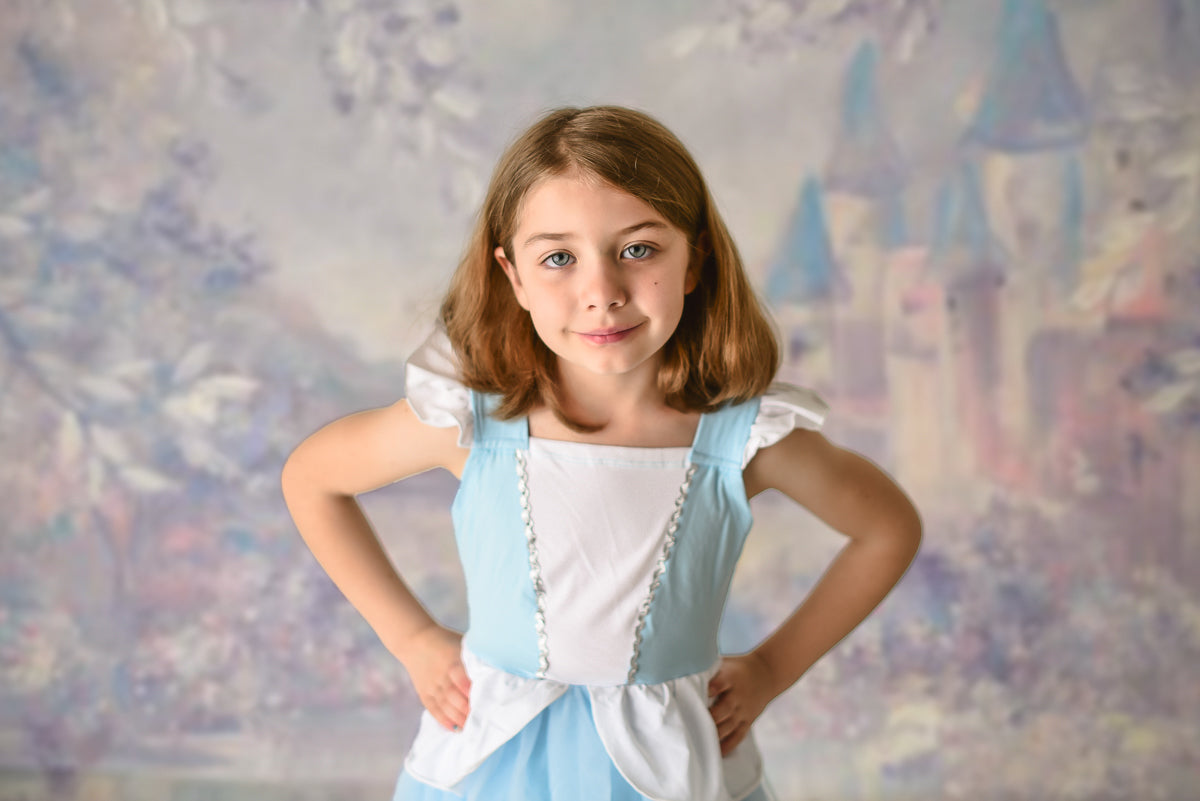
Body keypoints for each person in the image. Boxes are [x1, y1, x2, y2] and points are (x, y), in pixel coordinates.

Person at [281, 105, 923, 801]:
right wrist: (411, 638)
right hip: (489, 765)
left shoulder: (742, 437)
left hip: (669, 767)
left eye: (638, 250)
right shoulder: (474, 419)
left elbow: (887, 528)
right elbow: (312, 479)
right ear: (513, 277)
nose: (602, 294)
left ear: (695, 258)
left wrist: (770, 669)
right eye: (559, 258)